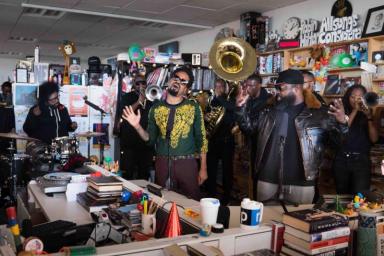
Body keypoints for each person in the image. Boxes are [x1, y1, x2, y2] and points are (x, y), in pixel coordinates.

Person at [237, 69, 348, 204]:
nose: (277, 92)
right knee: (265, 223)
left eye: (281, 88)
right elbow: (249, 129)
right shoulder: (268, 110)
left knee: (298, 223)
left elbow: (338, 145)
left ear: (296, 88)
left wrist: (342, 123)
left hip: (301, 183)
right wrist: (241, 107)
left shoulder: (320, 114)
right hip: (267, 180)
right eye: (276, 88)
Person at [122, 66, 208, 200]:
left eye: (183, 82)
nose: (178, 82)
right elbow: (149, 139)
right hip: (162, 164)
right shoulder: (156, 108)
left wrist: (203, 168)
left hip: (187, 164)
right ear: (169, 81)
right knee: (162, 204)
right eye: (176, 78)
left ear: (186, 89)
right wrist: (137, 126)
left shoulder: (193, 107)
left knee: (192, 205)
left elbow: (201, 138)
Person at [333, 85, 378, 194]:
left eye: (360, 97)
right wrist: (355, 110)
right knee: (342, 196)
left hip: (361, 161)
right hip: (341, 159)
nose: (356, 100)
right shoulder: (340, 112)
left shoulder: (368, 112)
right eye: (353, 97)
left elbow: (374, 139)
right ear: (347, 97)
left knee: (360, 197)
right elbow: (344, 129)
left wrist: (369, 117)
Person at [236, 74, 271, 198]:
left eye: (251, 85)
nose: (248, 88)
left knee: (259, 179)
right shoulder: (248, 99)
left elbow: (251, 128)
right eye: (246, 85)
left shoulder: (268, 101)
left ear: (259, 85)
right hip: (249, 144)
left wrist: (242, 107)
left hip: (260, 145)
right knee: (249, 178)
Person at [205, 78, 236, 205]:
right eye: (216, 86)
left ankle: (226, 199)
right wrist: (206, 117)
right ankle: (210, 195)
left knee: (227, 171)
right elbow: (207, 118)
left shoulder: (230, 100)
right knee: (211, 169)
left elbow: (232, 113)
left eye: (220, 87)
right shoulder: (211, 101)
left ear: (224, 88)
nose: (218, 89)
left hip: (226, 141)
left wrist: (220, 99)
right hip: (213, 141)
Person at [119, 76, 154, 180]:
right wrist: (139, 101)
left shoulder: (151, 97)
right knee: (128, 173)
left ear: (146, 84)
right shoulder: (127, 97)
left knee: (144, 174)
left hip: (145, 144)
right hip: (130, 142)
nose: (141, 85)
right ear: (134, 84)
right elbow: (124, 113)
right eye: (138, 83)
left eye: (143, 83)